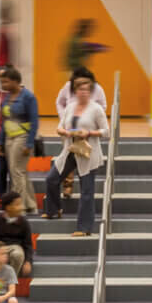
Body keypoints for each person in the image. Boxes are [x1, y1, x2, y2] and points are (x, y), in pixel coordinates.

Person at [46, 76, 110, 237]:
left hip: (88, 153)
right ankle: (54, 209)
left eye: (86, 90)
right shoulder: (70, 107)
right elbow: (60, 126)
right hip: (70, 149)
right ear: (75, 92)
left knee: (86, 191)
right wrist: (63, 131)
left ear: (90, 92)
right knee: (52, 178)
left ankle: (84, 227)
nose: (83, 92)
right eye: (80, 89)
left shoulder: (96, 109)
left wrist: (89, 133)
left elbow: (106, 131)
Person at [0, 68, 39, 209]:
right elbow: (5, 121)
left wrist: (29, 143)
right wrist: (0, 141)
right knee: (21, 172)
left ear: (15, 81)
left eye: (6, 82)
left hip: (22, 137)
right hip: (8, 138)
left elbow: (34, 122)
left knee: (16, 172)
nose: (3, 85)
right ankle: (30, 204)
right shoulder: (7, 97)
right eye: (1, 81)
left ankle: (17, 206)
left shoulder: (28, 97)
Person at [0, 194, 35, 277]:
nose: (21, 207)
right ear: (8, 207)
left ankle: (10, 281)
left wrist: (28, 261)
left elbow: (28, 245)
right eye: (17, 204)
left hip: (15, 247)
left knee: (18, 255)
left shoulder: (24, 222)